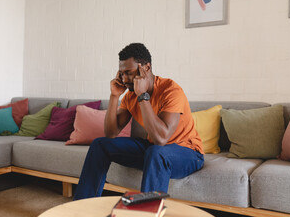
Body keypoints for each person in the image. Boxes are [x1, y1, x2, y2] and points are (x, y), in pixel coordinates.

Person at [73, 43, 204, 200]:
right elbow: (110, 132)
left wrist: (143, 95)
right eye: (121, 74)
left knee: (156, 152)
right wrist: (114, 96)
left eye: (129, 73)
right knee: (100, 145)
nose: (124, 79)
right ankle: (83, 208)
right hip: (154, 150)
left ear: (146, 68)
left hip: (188, 153)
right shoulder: (130, 95)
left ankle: (146, 212)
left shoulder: (171, 90)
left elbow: (161, 139)